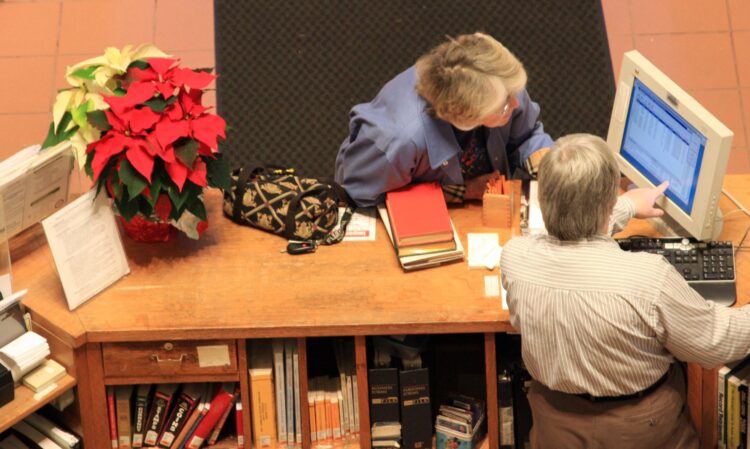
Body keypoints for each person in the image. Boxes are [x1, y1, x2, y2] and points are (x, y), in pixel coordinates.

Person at [500, 134, 750, 449]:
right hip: (640, 427)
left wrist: (628, 205)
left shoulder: (516, 258)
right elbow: (716, 342)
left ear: (543, 197)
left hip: (555, 424)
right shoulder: (649, 278)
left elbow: (573, 237)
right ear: (608, 204)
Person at [334, 32, 553, 207]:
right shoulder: (398, 141)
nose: (516, 104)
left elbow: (527, 136)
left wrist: (548, 166)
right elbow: (361, 197)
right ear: (465, 116)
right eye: (505, 104)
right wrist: (463, 191)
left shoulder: (501, 85)